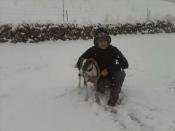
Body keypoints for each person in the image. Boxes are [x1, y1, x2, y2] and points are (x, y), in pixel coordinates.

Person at [76, 28, 129, 106]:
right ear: (96, 41)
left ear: (108, 40)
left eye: (105, 40)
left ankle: (112, 101)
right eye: (100, 41)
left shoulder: (113, 50)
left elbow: (125, 64)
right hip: (100, 78)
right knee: (103, 85)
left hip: (112, 75)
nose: (103, 43)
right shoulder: (92, 50)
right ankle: (106, 87)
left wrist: (109, 69)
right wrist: (87, 72)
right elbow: (80, 61)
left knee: (120, 73)